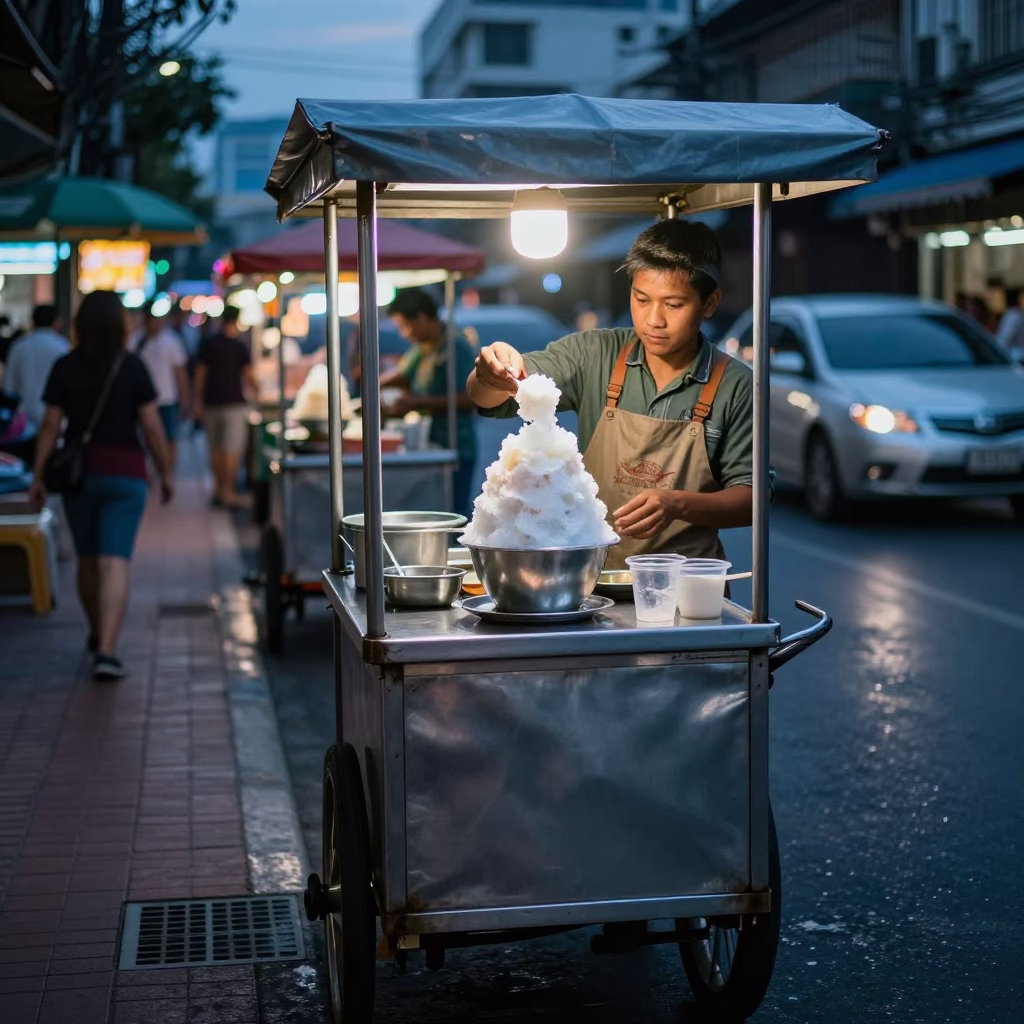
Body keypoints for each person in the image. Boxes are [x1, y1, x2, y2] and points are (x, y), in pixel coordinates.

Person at [467, 219, 753, 569]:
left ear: (710, 303)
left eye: (674, 305)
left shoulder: (736, 385)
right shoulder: (595, 353)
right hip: (592, 580)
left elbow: (751, 500)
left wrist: (677, 504)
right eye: (642, 299)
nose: (654, 320)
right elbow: (490, 397)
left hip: (687, 585)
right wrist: (488, 372)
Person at [29, 291, 173, 681]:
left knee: (88, 560)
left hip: (79, 476)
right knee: (115, 561)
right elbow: (152, 428)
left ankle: (98, 634)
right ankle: (107, 650)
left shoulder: (65, 366)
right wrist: (166, 472)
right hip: (126, 473)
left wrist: (39, 476)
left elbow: (49, 426)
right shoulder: (132, 366)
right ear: (120, 324)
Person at [381, 288, 479, 516]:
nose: (403, 334)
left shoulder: (456, 347)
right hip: (428, 444)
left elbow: (470, 399)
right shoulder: (421, 348)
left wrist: (417, 402)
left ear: (422, 318)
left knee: (452, 514)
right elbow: (403, 376)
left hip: (456, 447)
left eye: (405, 326)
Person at [193, 305, 255, 508]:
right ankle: (227, 491)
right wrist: (258, 390)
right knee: (232, 448)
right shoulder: (239, 346)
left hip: (212, 403)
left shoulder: (208, 343)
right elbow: (249, 376)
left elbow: (200, 375)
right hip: (234, 405)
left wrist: (197, 401)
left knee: (215, 448)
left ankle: (219, 489)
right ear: (236, 320)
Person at [1, 305, 70, 461]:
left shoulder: (19, 347)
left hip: (24, 426)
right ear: (57, 322)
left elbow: (9, 388)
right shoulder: (63, 347)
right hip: (57, 426)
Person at [130, 302, 190, 471]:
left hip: (167, 398)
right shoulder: (136, 340)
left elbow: (180, 373)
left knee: (169, 437)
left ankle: (167, 470)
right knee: (144, 438)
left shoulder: (171, 341)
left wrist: (185, 399)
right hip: (141, 399)